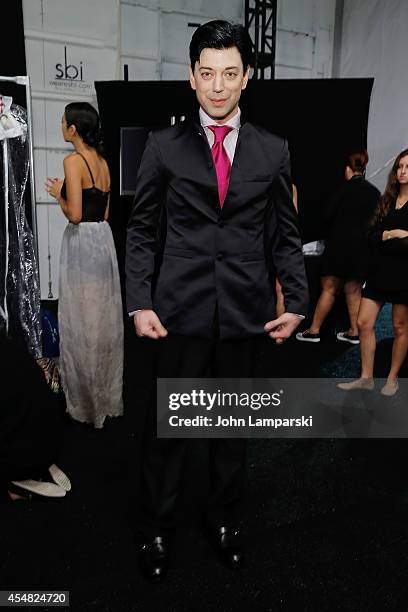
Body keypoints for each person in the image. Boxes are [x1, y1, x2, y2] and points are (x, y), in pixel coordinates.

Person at [126, 20, 308, 581]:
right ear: (191, 77)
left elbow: (284, 234)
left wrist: (297, 300)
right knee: (167, 431)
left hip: (243, 316)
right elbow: (140, 231)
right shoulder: (164, 146)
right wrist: (140, 302)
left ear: (246, 77)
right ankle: (158, 528)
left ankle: (226, 523)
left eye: (230, 74)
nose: (219, 86)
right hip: (176, 315)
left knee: (231, 432)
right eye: (208, 74)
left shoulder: (273, 150)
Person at [46, 102, 123, 428]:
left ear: (73, 129)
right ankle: (104, 397)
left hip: (81, 245)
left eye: (63, 121)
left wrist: (58, 194)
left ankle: (86, 403)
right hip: (102, 242)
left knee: (81, 321)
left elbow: (75, 215)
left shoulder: (73, 161)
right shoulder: (103, 163)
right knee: (102, 323)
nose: (61, 125)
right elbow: (103, 215)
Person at [338, 149, 408, 396]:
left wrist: (396, 238)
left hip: (404, 275)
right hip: (379, 270)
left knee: (400, 328)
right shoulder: (386, 200)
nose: (402, 171)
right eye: (399, 166)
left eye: (407, 167)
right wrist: (392, 234)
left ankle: (392, 378)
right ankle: (366, 377)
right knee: (363, 322)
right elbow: (370, 235)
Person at [296, 151, 380, 344]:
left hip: (337, 249)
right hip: (360, 251)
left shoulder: (341, 190)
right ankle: (354, 332)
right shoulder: (374, 192)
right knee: (353, 290)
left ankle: (314, 330)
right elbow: (377, 222)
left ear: (348, 168)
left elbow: (326, 216)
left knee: (329, 289)